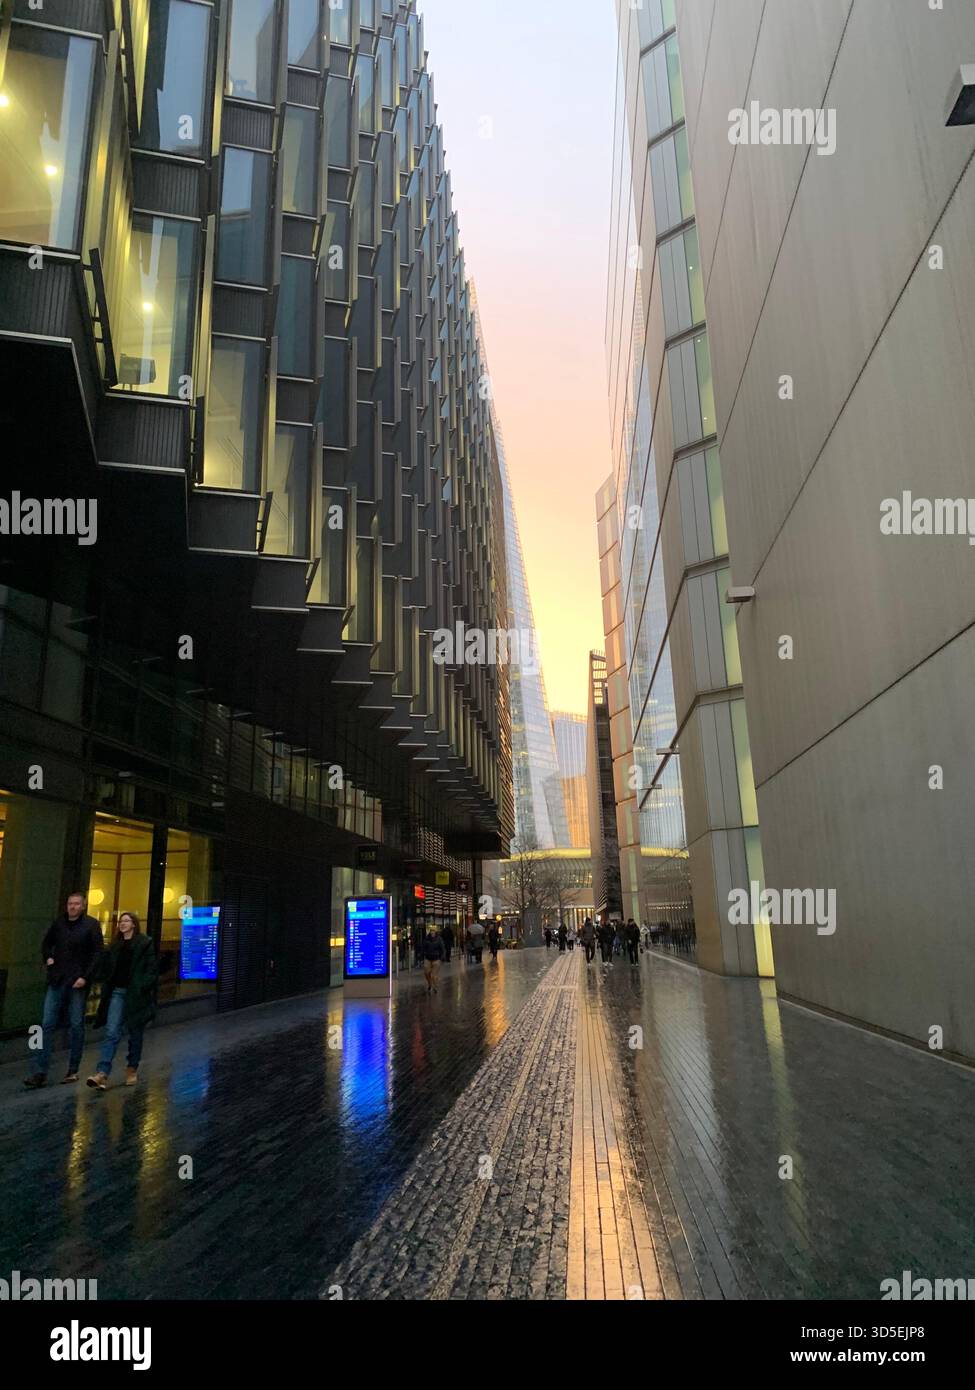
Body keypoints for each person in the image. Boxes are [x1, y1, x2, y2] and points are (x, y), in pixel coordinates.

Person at [24, 892, 103, 1089]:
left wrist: (85, 977)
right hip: (57, 979)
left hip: (77, 981)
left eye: (76, 904)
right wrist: (48, 958)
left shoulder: (91, 925)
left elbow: (97, 953)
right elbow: (46, 943)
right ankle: (40, 1071)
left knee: (76, 1025)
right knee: (47, 1024)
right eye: (70, 904)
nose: (73, 907)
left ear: (83, 906)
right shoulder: (59, 924)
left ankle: (73, 1069)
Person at [86, 912, 158, 1090]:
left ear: (134, 924)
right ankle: (102, 1073)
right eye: (121, 921)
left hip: (135, 994)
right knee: (112, 1032)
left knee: (135, 1033)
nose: (123, 924)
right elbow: (106, 967)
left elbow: (151, 969)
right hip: (117, 992)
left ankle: (132, 1068)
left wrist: (142, 987)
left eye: (127, 921)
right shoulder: (114, 946)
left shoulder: (144, 943)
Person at [422, 927, 445, 992]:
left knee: (433, 975)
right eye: (431, 931)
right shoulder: (427, 939)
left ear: (436, 932)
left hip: (436, 958)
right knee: (426, 972)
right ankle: (430, 984)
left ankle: (435, 987)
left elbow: (442, 948)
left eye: (433, 931)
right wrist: (422, 954)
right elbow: (423, 947)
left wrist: (442, 957)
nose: (432, 932)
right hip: (428, 958)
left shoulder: (439, 939)